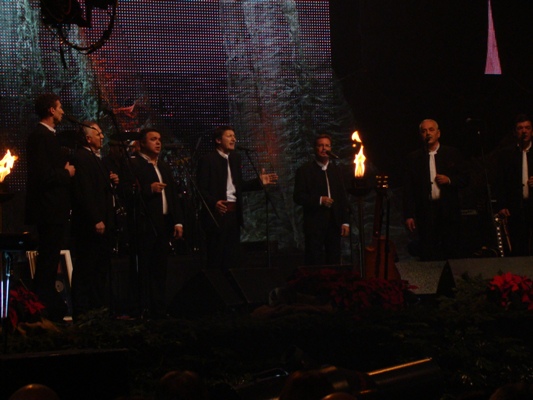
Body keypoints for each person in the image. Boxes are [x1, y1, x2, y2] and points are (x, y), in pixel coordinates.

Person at [196, 125, 278, 272]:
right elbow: (200, 189)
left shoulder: (235, 158)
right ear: (218, 140)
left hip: (234, 214)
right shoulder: (207, 160)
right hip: (217, 214)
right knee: (216, 257)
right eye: (229, 136)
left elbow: (239, 186)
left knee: (232, 257)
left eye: (234, 136)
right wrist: (214, 203)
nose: (233, 139)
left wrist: (259, 182)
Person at [25, 93, 76, 322]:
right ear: (51, 110)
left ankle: (44, 307)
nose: (63, 111)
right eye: (60, 107)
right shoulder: (40, 136)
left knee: (50, 259)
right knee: (47, 261)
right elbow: (42, 176)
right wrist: (66, 173)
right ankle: (40, 309)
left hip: (55, 210)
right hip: (48, 210)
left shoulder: (48, 136)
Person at [131, 128, 184, 319]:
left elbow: (173, 196)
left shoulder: (163, 166)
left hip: (163, 223)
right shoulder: (134, 164)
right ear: (142, 143)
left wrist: (178, 221)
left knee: (161, 269)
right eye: (153, 139)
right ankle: (144, 309)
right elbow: (126, 192)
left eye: (159, 139)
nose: (158, 142)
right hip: (145, 224)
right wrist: (148, 189)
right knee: (145, 269)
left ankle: (159, 310)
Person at [70, 121, 119, 317]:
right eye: (98, 133)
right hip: (90, 224)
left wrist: (112, 181)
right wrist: (96, 218)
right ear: (88, 138)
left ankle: (97, 308)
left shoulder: (96, 159)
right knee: (87, 266)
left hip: (104, 220)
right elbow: (84, 191)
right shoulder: (81, 157)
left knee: (99, 267)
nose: (102, 137)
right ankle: (83, 311)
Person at [403, 119, 469, 261]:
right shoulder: (414, 158)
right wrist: (409, 214)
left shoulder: (451, 153)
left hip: (448, 211)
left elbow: (465, 178)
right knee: (429, 251)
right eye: (424, 131)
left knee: (451, 248)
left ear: (438, 133)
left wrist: (449, 180)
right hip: (426, 211)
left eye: (431, 130)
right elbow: (408, 189)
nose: (428, 133)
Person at [293, 134, 350, 266]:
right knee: (314, 259)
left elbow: (342, 197)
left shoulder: (337, 170)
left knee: (334, 259)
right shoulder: (305, 170)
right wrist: (319, 200)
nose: (324, 149)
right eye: (320, 145)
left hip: (334, 222)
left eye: (327, 146)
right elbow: (298, 197)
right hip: (314, 223)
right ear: (315, 148)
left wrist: (345, 222)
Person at [494, 114, 533, 256]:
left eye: (527, 128)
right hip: (515, 207)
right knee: (517, 245)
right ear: (515, 132)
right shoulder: (506, 154)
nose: (524, 131)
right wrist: (502, 205)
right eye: (520, 128)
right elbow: (500, 181)